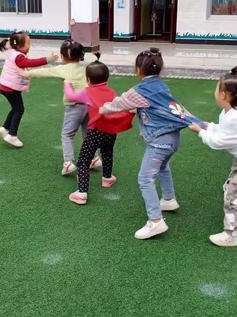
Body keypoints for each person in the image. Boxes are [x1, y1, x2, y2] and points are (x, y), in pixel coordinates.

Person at [101, 48, 203, 240]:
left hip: (159, 141)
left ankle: (155, 221)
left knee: (145, 179)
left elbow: (119, 103)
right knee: (163, 167)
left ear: (138, 69)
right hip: (172, 139)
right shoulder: (161, 87)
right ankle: (169, 199)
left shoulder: (140, 90)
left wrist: (102, 108)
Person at [189, 68, 237, 248]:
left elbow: (217, 142)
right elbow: (224, 132)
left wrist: (201, 132)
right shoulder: (231, 112)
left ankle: (231, 235)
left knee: (232, 197)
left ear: (224, 95)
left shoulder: (234, 117)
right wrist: (208, 126)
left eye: (217, 88)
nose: (215, 92)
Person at [64, 57, 134, 205]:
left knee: (83, 161)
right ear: (107, 78)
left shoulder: (87, 91)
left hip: (95, 131)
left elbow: (70, 97)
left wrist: (67, 84)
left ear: (88, 79)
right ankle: (107, 178)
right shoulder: (111, 91)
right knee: (107, 153)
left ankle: (82, 193)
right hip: (111, 131)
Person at [26, 39, 101, 175]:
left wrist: (27, 74)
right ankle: (94, 158)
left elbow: (45, 72)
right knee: (87, 133)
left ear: (62, 56)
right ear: (80, 56)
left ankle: (68, 163)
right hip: (89, 105)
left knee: (67, 134)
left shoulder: (63, 69)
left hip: (74, 107)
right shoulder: (85, 68)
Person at [0, 31, 58, 148]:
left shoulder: (12, 50)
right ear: (19, 46)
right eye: (28, 43)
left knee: (15, 108)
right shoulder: (18, 57)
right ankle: (12, 135)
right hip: (11, 88)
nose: (30, 46)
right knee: (19, 109)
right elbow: (30, 62)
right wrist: (48, 59)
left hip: (5, 86)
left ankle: (5, 128)